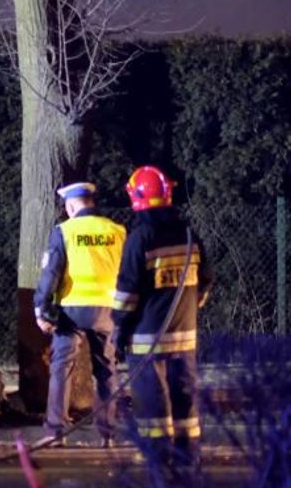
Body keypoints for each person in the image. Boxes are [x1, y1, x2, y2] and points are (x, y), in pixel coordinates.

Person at [113, 166, 211, 475]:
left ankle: (158, 458)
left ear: (137, 197)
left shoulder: (140, 238)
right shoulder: (188, 234)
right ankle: (188, 456)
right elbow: (206, 280)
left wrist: (120, 327)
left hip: (146, 340)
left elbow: (127, 294)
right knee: (184, 399)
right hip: (185, 336)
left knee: (152, 401)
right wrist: (188, 308)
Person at [34, 181, 126, 448]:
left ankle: (55, 431)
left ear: (71, 205)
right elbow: (127, 272)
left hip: (71, 311)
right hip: (107, 310)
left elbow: (52, 272)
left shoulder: (65, 230)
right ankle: (108, 434)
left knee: (62, 367)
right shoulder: (117, 231)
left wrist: (42, 308)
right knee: (107, 370)